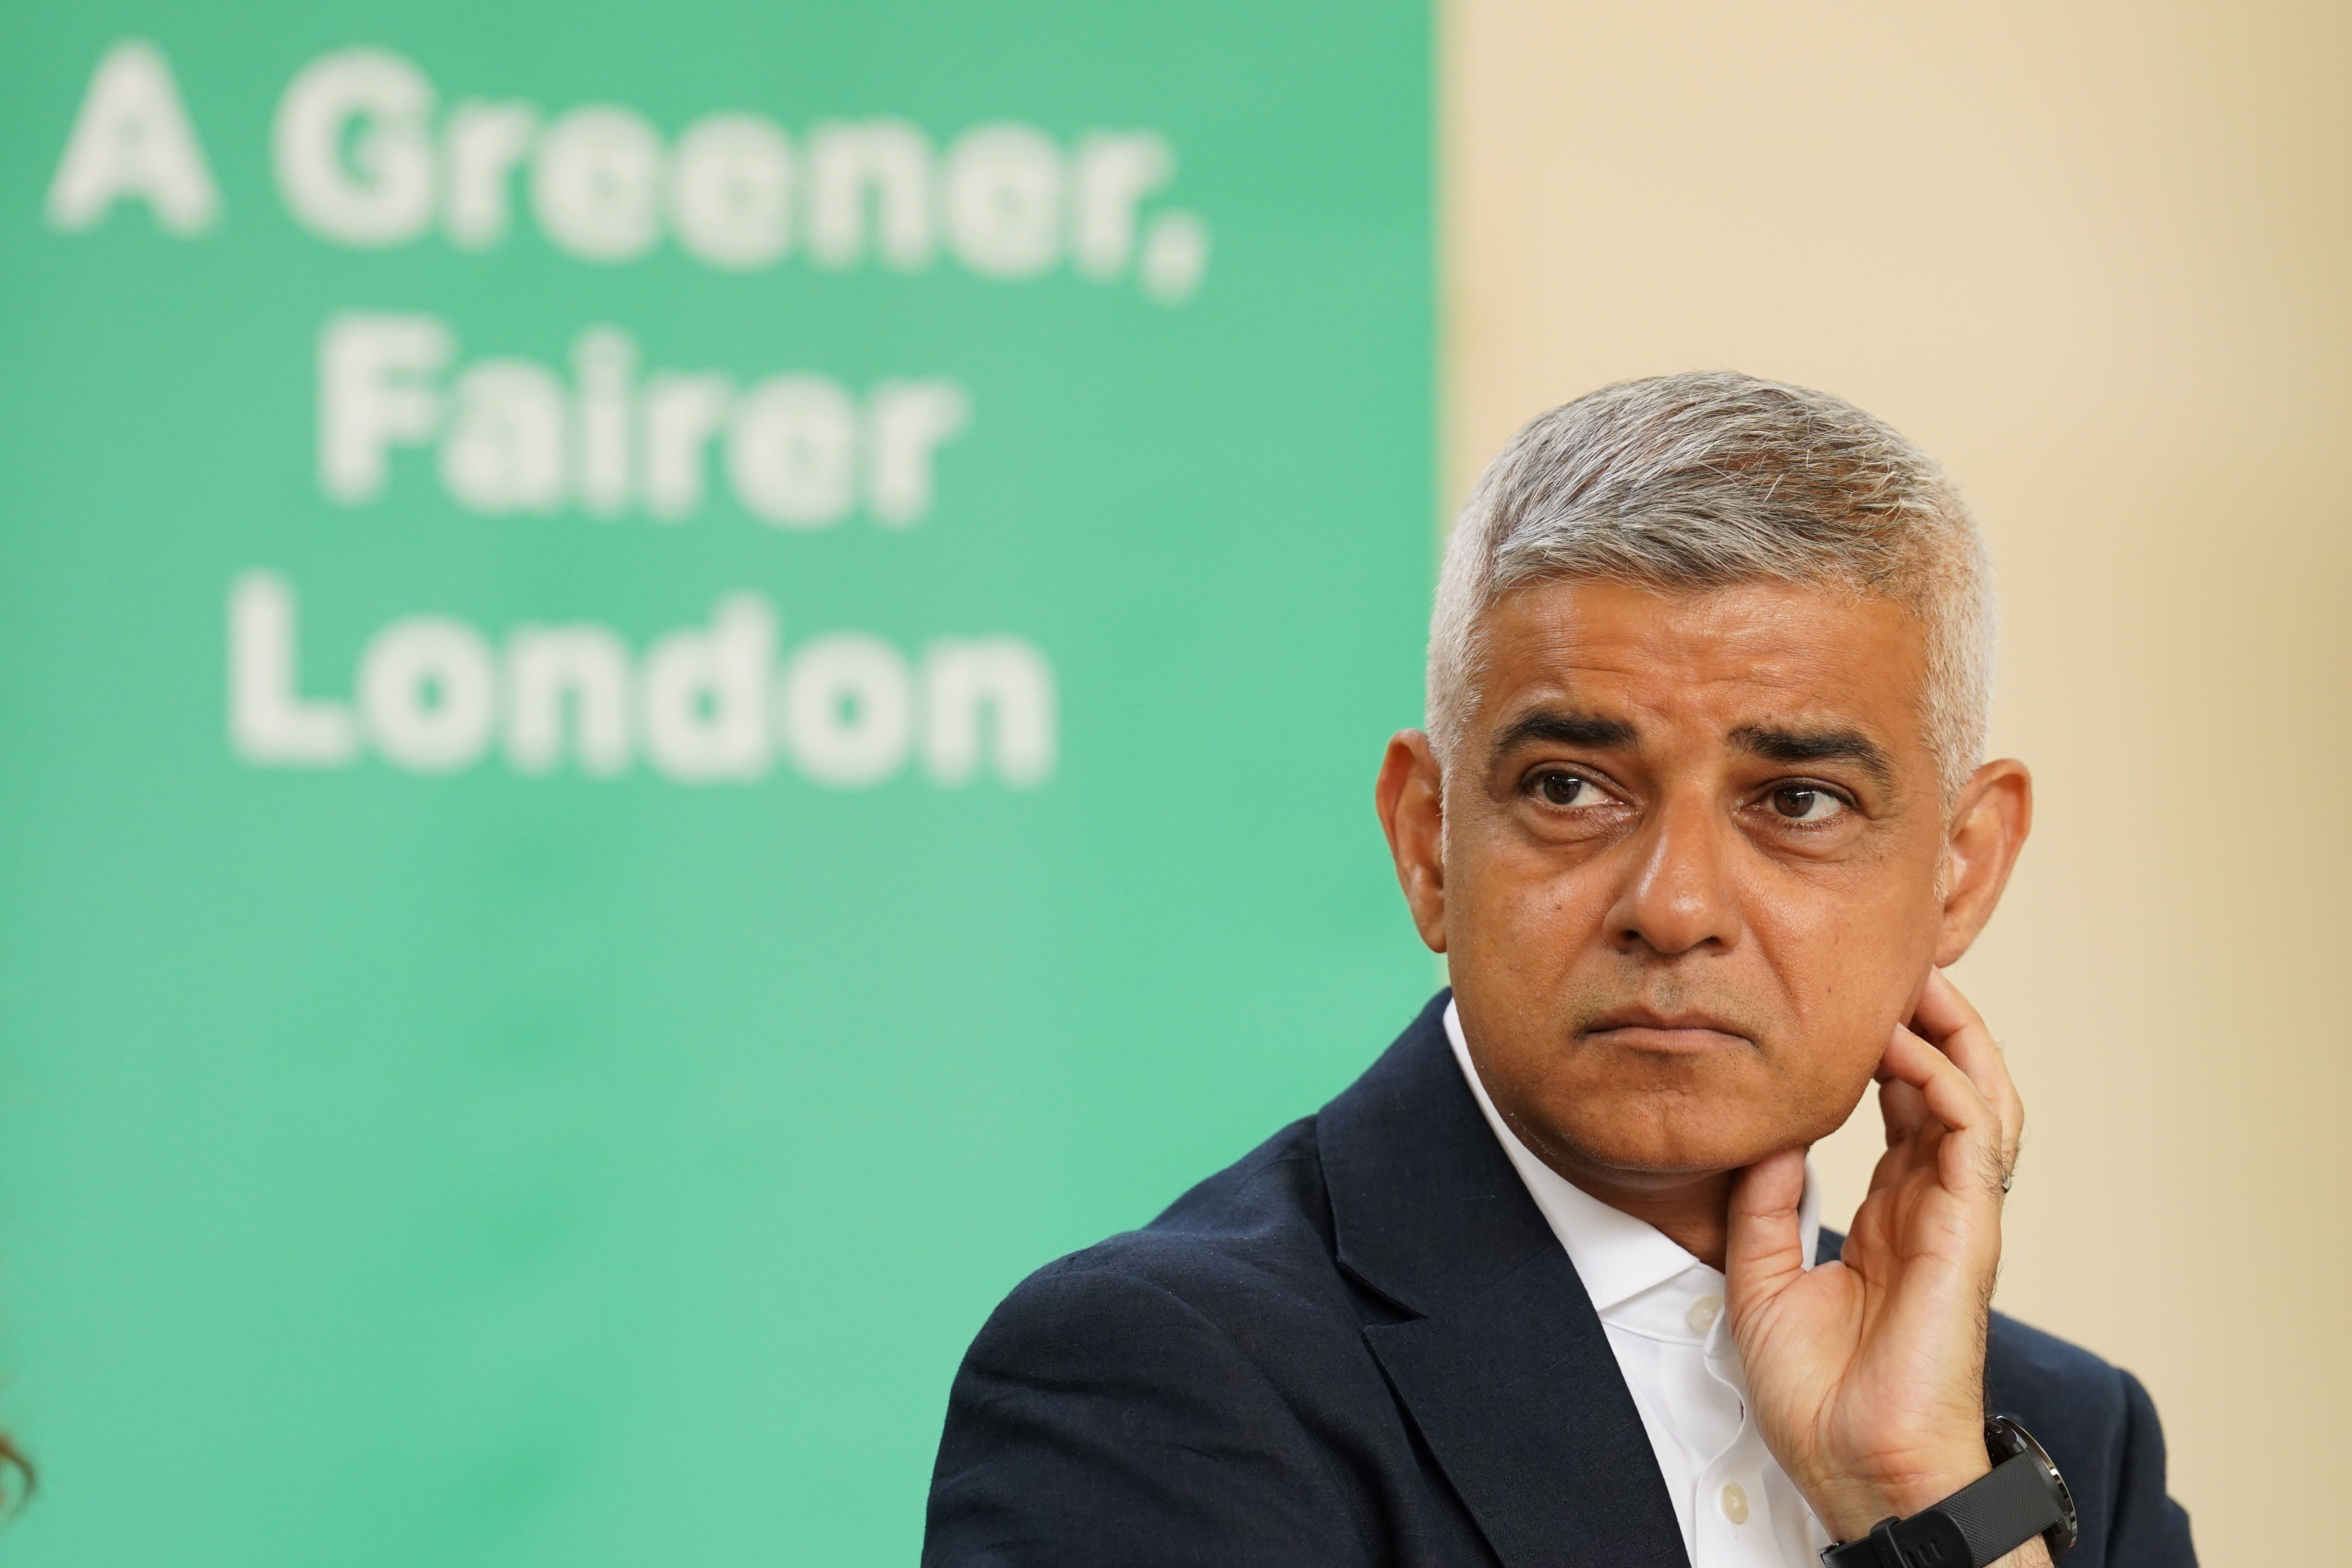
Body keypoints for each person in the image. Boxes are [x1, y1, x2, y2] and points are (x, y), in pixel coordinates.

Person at [922, 372, 2196, 1567]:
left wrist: (1925, 1499)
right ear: (1428, 842)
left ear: (1962, 869)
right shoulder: (1159, 1375)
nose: (1675, 905)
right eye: (1571, 788)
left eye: (1798, 800)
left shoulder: (2063, 1444)